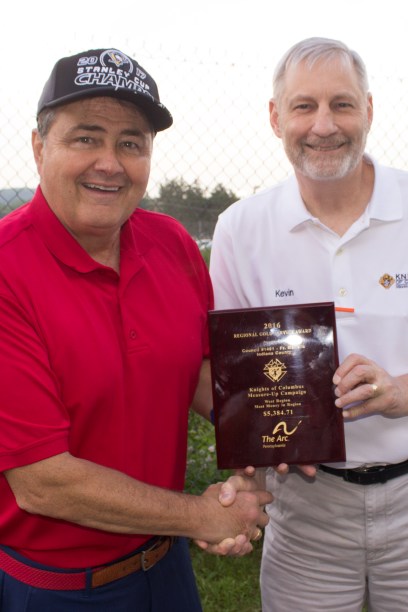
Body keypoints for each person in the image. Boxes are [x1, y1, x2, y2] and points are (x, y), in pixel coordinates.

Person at [0, 48, 272, 611]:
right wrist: (201, 515)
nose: (110, 163)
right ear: (39, 147)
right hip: (57, 588)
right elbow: (44, 481)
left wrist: (277, 425)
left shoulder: (171, 243)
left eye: (131, 143)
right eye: (86, 138)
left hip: (165, 567)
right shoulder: (7, 269)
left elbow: (199, 371)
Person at [210, 37, 408, 611]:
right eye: (304, 106)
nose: (324, 125)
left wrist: (400, 392)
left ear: (368, 110)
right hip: (307, 508)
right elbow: (233, 378)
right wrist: (249, 467)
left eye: (341, 104)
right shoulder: (241, 229)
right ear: (276, 118)